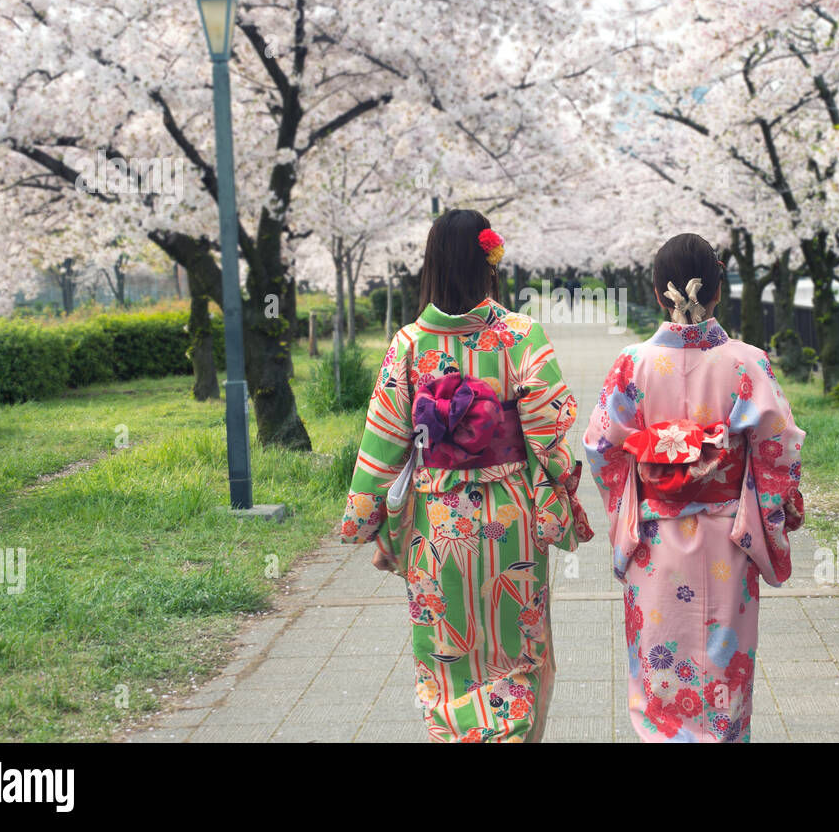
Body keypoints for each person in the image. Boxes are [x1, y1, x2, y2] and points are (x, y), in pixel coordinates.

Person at [339, 209, 592, 743]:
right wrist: (563, 492)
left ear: (431, 265)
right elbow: (549, 437)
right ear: (489, 262)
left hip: (436, 523)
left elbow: (383, 445)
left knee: (446, 657)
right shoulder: (522, 336)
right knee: (517, 652)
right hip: (511, 518)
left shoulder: (408, 345)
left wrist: (370, 524)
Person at [583, 232, 806, 743]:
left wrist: (637, 496)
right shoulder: (748, 362)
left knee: (658, 665)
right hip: (730, 535)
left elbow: (600, 448)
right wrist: (772, 509)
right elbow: (779, 450)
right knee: (724, 667)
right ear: (719, 290)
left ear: (658, 293)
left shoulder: (632, 364)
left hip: (655, 541)